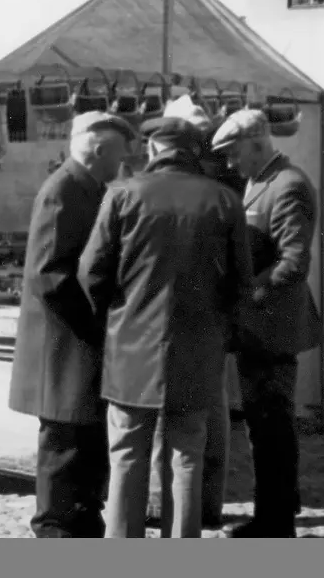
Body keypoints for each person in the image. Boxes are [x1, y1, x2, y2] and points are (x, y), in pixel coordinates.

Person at [78, 117, 253, 538]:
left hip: (131, 347)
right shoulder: (225, 200)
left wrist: (113, 320)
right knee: (187, 453)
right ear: (193, 152)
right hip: (198, 346)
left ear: (154, 149)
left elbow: (91, 273)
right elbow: (241, 283)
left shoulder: (122, 194)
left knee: (126, 453)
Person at [8, 110, 136, 538]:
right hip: (63, 341)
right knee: (62, 444)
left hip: (76, 340)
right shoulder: (63, 189)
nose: (124, 163)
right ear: (100, 150)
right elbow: (48, 273)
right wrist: (96, 322)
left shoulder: (89, 186)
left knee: (81, 439)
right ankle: (55, 529)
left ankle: (80, 517)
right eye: (120, 154)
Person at [211, 109, 323, 538]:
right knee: (264, 424)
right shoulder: (261, 182)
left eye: (232, 153)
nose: (228, 164)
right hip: (260, 328)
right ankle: (275, 509)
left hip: (272, 327)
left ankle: (275, 523)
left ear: (257, 143)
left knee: (272, 425)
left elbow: (293, 263)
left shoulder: (288, 186)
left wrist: (248, 297)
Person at [145, 106, 241, 530]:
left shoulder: (144, 188)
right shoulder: (224, 184)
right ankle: (204, 507)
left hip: (162, 324)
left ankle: (156, 507)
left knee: (168, 425)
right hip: (207, 324)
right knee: (203, 420)